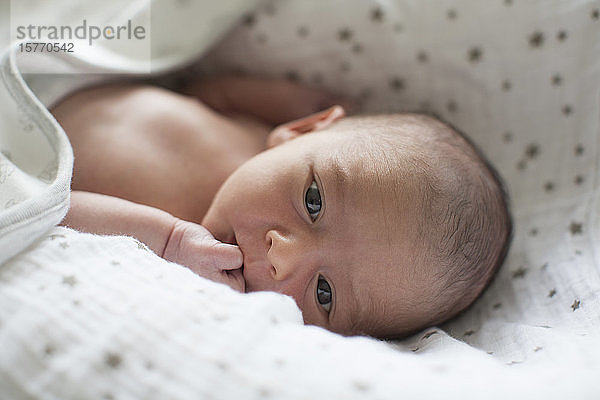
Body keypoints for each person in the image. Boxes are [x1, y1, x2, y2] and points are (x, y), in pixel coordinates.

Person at [51, 76, 512, 338]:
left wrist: (167, 241)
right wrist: (275, 96)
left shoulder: (184, 268)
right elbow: (209, 89)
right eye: (314, 201)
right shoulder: (261, 134)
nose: (280, 256)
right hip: (59, 69)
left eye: (324, 294)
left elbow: (46, 213)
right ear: (303, 129)